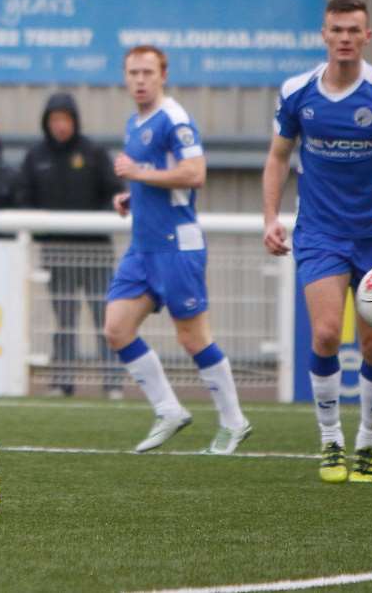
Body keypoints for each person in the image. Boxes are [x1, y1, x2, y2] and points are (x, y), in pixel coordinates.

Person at [262, 0, 372, 483]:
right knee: (323, 334)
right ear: (323, 35)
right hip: (318, 230)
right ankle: (330, 439)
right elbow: (277, 157)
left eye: (353, 30)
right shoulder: (297, 93)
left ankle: (368, 441)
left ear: (367, 37)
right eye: (336, 29)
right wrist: (271, 217)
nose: (344, 38)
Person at [105, 45, 252, 455]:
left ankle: (234, 421)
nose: (139, 79)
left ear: (163, 75)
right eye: (132, 72)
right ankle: (168, 409)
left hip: (177, 245)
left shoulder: (175, 118)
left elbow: (195, 173)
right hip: (143, 246)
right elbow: (157, 179)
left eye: (147, 72)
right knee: (116, 328)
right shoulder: (135, 122)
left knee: (192, 337)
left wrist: (138, 173)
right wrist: (132, 195)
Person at [17, 92, 126, 395]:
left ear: (74, 121)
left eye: (65, 119)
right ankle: (63, 381)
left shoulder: (93, 153)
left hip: (95, 251)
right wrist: (42, 231)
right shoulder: (36, 157)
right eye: (55, 120)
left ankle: (112, 382)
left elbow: (115, 192)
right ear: (46, 123)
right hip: (56, 251)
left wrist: (100, 219)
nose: (60, 126)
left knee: (105, 317)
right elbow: (23, 197)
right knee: (63, 318)